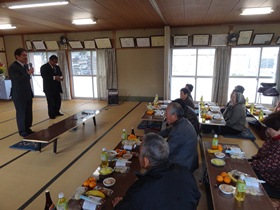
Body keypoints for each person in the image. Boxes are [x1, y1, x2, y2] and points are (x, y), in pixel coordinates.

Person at [112, 133, 201, 210]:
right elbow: (196, 197)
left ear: (146, 161)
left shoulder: (140, 190)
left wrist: (118, 205)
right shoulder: (185, 172)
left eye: (140, 154)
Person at [158, 102, 198, 172]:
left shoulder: (179, 131)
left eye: (166, 112)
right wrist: (153, 136)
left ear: (174, 115)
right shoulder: (183, 121)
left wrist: (152, 147)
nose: (164, 114)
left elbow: (166, 151)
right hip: (188, 157)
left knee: (156, 161)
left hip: (184, 163)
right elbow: (167, 130)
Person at [250, 111, 280, 198]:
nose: (268, 131)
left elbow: (268, 165)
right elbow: (261, 152)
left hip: (271, 181)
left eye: (270, 129)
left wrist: (250, 165)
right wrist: (251, 160)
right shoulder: (273, 138)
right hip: (261, 170)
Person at [8, 48, 35, 137]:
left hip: (27, 92)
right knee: (21, 113)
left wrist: (28, 73)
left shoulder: (25, 66)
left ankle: (28, 128)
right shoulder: (13, 67)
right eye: (23, 55)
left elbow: (26, 79)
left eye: (26, 55)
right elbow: (18, 80)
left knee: (28, 112)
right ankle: (23, 131)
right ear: (17, 56)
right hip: (19, 94)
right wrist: (28, 73)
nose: (26, 57)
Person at [40, 55, 63, 119]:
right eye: (54, 62)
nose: (55, 64)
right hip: (49, 88)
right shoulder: (44, 67)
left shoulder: (57, 67)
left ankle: (57, 112)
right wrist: (54, 77)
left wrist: (61, 77)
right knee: (51, 102)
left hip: (57, 87)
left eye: (56, 62)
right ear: (50, 60)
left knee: (58, 100)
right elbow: (44, 76)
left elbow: (60, 74)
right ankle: (52, 115)